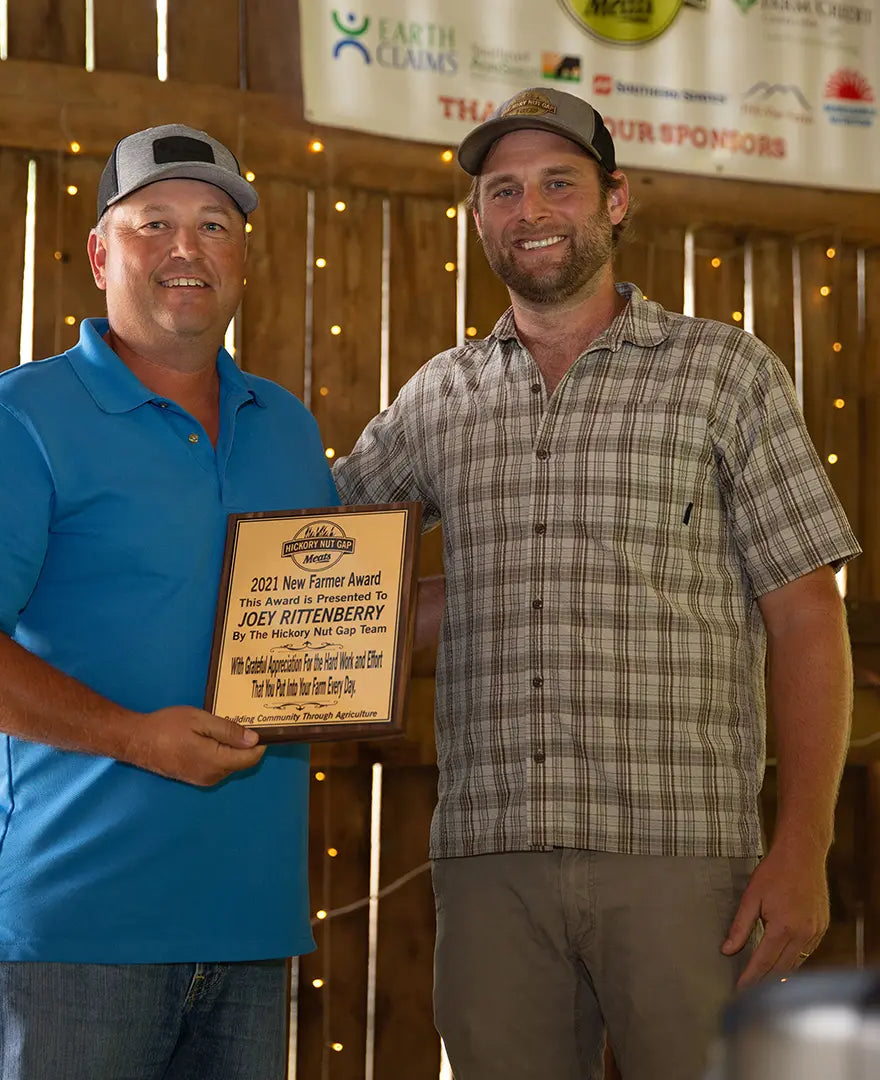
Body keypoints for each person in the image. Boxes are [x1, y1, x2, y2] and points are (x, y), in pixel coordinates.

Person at [332, 87, 859, 1080]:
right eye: (503, 191)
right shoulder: (439, 395)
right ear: (478, 217)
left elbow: (806, 615)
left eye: (558, 183)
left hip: (684, 856)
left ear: (615, 200)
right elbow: (318, 567)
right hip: (493, 864)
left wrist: (802, 849)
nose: (531, 212)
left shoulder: (726, 374)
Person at [0, 124, 338, 1080]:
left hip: (252, 929)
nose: (188, 249)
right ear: (101, 253)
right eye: (154, 224)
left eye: (215, 225)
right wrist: (135, 737)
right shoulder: (12, 421)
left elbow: (338, 621)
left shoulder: (288, 428)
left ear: (244, 259)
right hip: (67, 929)